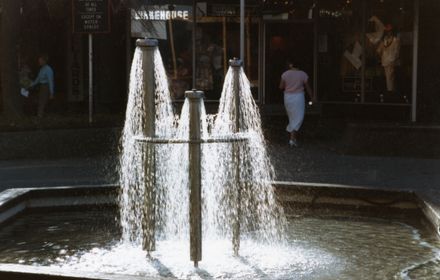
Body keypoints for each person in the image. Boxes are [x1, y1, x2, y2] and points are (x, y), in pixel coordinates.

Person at [279, 60, 315, 147]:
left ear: (291, 65)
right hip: (299, 97)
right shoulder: (303, 74)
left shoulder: (285, 74)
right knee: (299, 117)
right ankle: (292, 139)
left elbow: (281, 87)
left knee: (292, 117)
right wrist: (312, 97)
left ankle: (293, 139)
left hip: (288, 97)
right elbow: (308, 87)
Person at [377, 24, 400, 94]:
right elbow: (379, 50)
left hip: (391, 62)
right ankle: (388, 92)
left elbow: (397, 53)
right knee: (386, 79)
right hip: (384, 62)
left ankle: (390, 93)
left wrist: (392, 60)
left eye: (390, 31)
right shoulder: (384, 40)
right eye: (387, 31)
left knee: (390, 79)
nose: (388, 33)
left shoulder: (396, 40)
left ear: (392, 32)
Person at [29, 54, 54, 118]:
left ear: (44, 61)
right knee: (40, 101)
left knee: (42, 101)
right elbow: (37, 79)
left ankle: (40, 116)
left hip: (46, 87)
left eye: (40, 60)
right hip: (41, 86)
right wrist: (30, 85)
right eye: (39, 60)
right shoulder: (42, 69)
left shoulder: (48, 69)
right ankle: (40, 115)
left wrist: (51, 92)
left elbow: (50, 81)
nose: (39, 62)